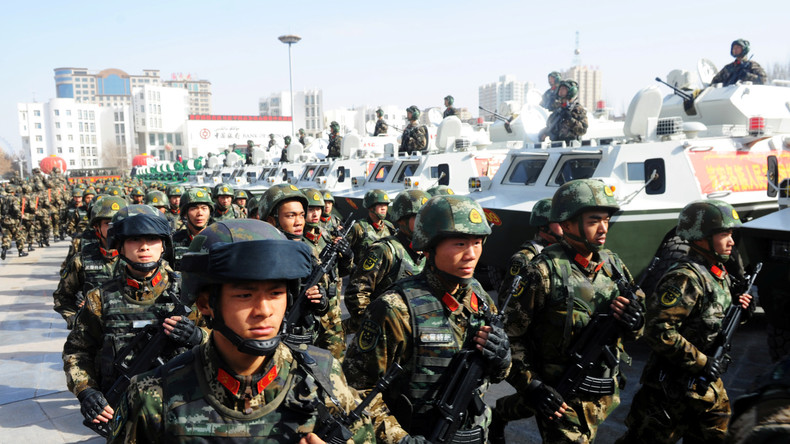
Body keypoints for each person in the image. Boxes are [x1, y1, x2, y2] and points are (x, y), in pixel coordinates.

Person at [108, 219, 384, 443]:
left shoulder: (323, 376)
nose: (264, 310)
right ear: (205, 304)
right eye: (244, 295)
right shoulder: (154, 395)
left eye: (275, 293)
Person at [343, 195, 511, 443]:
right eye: (460, 244)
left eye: (477, 243)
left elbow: (495, 374)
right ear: (430, 246)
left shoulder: (480, 297)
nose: (471, 254)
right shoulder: (396, 308)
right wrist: (399, 439)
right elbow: (356, 391)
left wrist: (502, 359)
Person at [494, 179, 645, 443]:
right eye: (593, 221)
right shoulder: (542, 272)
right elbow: (509, 338)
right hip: (561, 396)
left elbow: (637, 312)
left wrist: (636, 321)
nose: (603, 228)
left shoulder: (613, 264)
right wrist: (532, 386)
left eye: (606, 220)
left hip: (605, 394)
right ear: (566, 224)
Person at [616, 200, 753, 444]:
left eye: (731, 234)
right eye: (724, 234)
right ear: (701, 238)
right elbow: (658, 330)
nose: (731, 241)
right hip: (669, 391)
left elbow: (712, 322)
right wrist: (702, 362)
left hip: (706, 388)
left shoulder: (717, 274)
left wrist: (741, 312)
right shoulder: (685, 278)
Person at [63, 205, 205, 430]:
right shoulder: (100, 299)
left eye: (152, 239)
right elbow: (77, 351)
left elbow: (227, 342)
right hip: (124, 411)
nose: (144, 246)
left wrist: (199, 336)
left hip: (185, 408)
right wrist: (86, 390)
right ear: (119, 245)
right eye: (134, 239)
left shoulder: (190, 291)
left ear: (164, 245)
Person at [344, 190, 429, 334]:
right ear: (402, 219)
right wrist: (373, 324)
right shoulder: (384, 250)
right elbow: (356, 291)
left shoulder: (429, 251)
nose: (425, 223)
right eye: (418, 217)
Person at [53, 196, 126, 329]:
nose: (114, 227)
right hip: (95, 332)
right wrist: (76, 320)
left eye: (119, 222)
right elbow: (62, 297)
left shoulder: (140, 258)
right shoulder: (81, 260)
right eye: (108, 223)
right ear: (96, 227)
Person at [301, 187, 353, 360]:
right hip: (308, 318)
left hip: (332, 315)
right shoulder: (296, 242)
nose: (316, 213)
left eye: (318, 208)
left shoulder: (326, 237)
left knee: (335, 364)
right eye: (311, 209)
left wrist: (347, 256)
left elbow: (341, 272)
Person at [496, 198, 560, 297]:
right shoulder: (525, 259)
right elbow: (509, 300)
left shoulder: (562, 251)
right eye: (559, 221)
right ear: (544, 227)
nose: (565, 225)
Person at [346, 189, 395, 267]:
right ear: (370, 207)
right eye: (380, 205)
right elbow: (345, 253)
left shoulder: (389, 227)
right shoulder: (358, 228)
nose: (384, 208)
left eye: (385, 205)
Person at [172, 188, 214, 271]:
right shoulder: (175, 240)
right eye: (193, 209)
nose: (200, 213)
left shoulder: (218, 238)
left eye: (204, 208)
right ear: (185, 213)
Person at [539, 80, 588, 145]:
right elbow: (550, 126)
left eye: (563, 89)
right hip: (556, 146)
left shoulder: (577, 109)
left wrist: (570, 119)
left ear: (571, 91)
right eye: (560, 89)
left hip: (571, 146)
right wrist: (544, 132)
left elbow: (582, 130)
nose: (560, 91)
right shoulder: (558, 109)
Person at [0, 184, 28, 259]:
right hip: (13, 221)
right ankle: (20, 251)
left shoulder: (2, 199)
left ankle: (4, 248)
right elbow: (16, 209)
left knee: (6, 236)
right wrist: (20, 215)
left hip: (4, 221)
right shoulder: (14, 199)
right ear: (12, 191)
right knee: (18, 235)